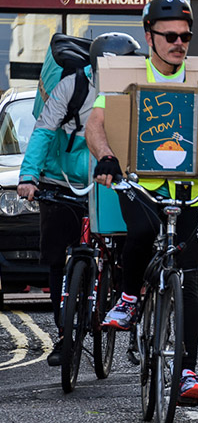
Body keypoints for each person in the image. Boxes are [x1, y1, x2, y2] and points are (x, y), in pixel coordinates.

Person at [88, 0, 198, 404]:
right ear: (150, 36)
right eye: (171, 35)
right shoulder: (127, 74)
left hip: (189, 192)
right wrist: (106, 156)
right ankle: (127, 299)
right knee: (140, 230)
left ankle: (186, 371)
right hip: (142, 186)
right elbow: (97, 121)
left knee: (188, 278)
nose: (180, 42)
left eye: (186, 35)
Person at [17, 32, 141, 365]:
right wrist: (29, 176)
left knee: (134, 245)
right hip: (63, 179)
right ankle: (63, 334)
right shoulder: (73, 87)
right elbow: (44, 129)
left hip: (115, 180)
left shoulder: (137, 90)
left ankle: (131, 313)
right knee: (58, 257)